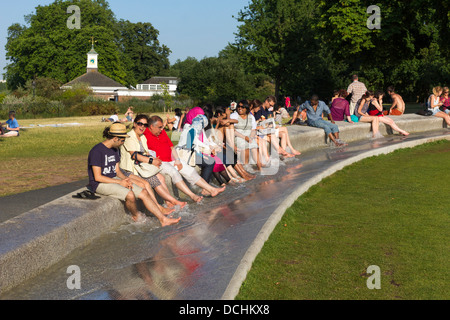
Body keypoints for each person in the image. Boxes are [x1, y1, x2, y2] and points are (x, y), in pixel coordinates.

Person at [87, 122, 181, 226]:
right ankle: (136, 216)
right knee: (130, 195)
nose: (123, 143)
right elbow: (98, 177)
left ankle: (163, 219)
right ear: (115, 139)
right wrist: (119, 182)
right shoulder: (97, 151)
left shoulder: (115, 149)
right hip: (99, 183)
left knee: (143, 192)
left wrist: (126, 180)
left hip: (114, 179)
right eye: (122, 140)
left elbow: (117, 171)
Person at [144, 115, 226, 199]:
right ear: (151, 127)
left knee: (190, 170)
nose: (162, 129)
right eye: (159, 127)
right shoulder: (144, 135)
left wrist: (177, 160)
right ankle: (193, 196)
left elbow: (171, 147)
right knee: (174, 173)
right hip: (161, 162)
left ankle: (211, 189)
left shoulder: (162, 132)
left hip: (171, 159)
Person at [119, 114, 188, 212]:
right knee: (151, 181)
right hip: (131, 169)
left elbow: (146, 153)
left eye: (145, 125)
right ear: (134, 124)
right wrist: (152, 161)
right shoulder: (130, 136)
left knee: (160, 177)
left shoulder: (142, 137)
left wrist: (154, 159)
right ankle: (164, 205)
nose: (142, 127)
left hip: (140, 167)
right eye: (140, 124)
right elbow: (134, 155)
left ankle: (168, 202)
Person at [230, 100, 263, 170]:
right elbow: (233, 130)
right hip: (238, 137)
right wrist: (244, 137)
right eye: (238, 106)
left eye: (242, 107)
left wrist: (251, 137)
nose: (240, 108)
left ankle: (260, 168)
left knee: (255, 147)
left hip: (249, 136)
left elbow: (253, 129)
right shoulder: (234, 116)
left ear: (246, 108)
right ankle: (246, 167)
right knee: (245, 146)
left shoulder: (251, 117)